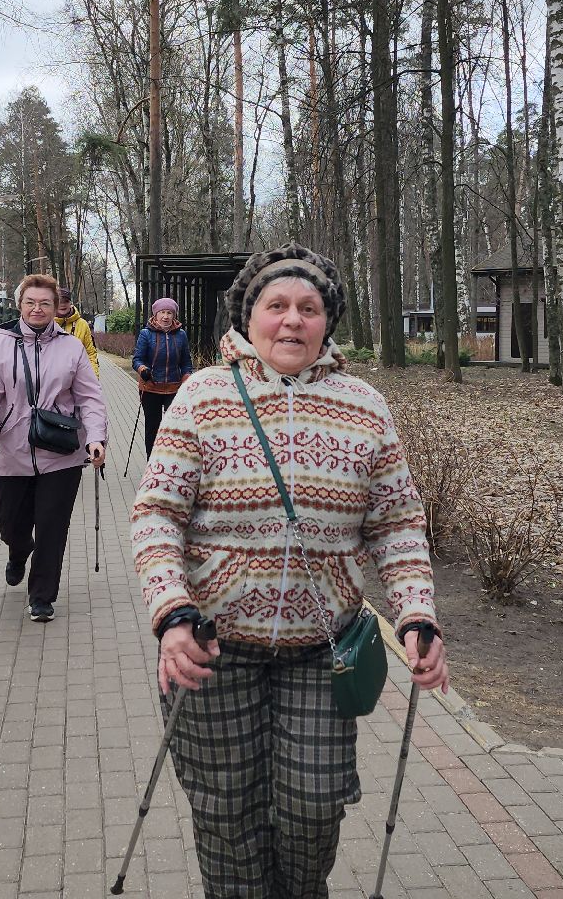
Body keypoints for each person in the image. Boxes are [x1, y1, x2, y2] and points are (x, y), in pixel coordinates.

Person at [129, 244, 448, 897]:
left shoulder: (364, 407)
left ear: (327, 321)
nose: (292, 321)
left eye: (308, 308)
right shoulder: (203, 398)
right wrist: (172, 612)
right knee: (225, 812)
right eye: (277, 306)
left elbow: (396, 524)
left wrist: (417, 613)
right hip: (212, 649)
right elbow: (157, 514)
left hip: (322, 652)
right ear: (251, 318)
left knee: (314, 804)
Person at [0, 273, 108, 623]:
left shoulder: (71, 346)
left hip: (60, 449)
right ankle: (19, 551)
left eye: (44, 303)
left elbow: (90, 397)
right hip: (10, 449)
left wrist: (95, 437)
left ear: (54, 308)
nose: (37, 308)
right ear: (19, 306)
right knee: (10, 523)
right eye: (30, 302)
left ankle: (42, 595)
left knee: (51, 525)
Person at [131, 297, 192, 457]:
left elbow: (186, 362)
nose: (166, 316)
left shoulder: (181, 335)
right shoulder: (146, 334)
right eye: (162, 312)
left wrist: (187, 376)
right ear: (156, 315)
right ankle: (152, 464)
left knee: (175, 427)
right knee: (153, 427)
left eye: (169, 313)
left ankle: (172, 462)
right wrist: (143, 369)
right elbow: (137, 359)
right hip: (150, 387)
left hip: (174, 388)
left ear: (174, 315)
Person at [55, 287, 99, 377]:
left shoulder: (82, 324)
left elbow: (90, 353)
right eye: (59, 301)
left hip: (79, 380)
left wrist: (93, 378)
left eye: (66, 301)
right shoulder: (47, 323)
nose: (62, 304)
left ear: (70, 303)